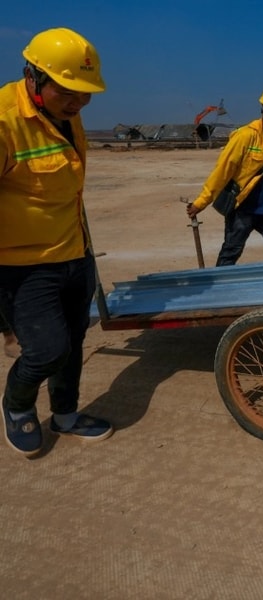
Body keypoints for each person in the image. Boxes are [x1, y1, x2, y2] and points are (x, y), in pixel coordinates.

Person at [1, 28, 113, 457]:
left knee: (74, 342)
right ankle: (16, 406)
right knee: (47, 350)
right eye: (68, 92)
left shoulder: (66, 113)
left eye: (86, 95)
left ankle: (65, 414)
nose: (78, 103)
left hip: (75, 253)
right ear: (32, 76)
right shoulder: (4, 122)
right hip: (22, 266)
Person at [187, 84, 263, 267]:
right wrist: (201, 202)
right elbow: (222, 171)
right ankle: (219, 288)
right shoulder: (244, 136)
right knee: (231, 252)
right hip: (241, 209)